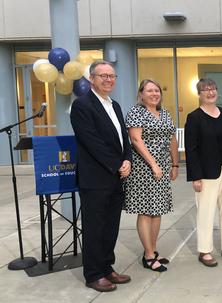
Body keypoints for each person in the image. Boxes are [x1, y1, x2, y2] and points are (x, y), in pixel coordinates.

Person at [70, 60, 132, 292]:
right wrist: (117, 164)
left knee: (111, 227)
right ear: (91, 79)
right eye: (103, 75)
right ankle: (94, 274)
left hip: (116, 176)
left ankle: (107, 268)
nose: (108, 79)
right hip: (95, 178)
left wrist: (127, 160)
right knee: (95, 227)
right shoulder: (82, 106)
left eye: (111, 76)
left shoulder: (114, 105)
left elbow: (123, 138)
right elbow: (92, 142)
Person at [185, 78, 222, 267]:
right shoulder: (194, 118)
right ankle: (205, 250)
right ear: (199, 94)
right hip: (207, 173)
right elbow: (191, 149)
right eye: (205, 90)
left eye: (213, 88)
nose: (210, 92)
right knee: (206, 211)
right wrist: (195, 176)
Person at [123, 79, 179, 272]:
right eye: (149, 91)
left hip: (162, 167)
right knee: (146, 210)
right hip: (143, 168)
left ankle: (153, 250)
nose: (154, 94)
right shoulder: (136, 112)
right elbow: (136, 140)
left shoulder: (165, 113)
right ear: (141, 94)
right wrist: (153, 164)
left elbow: (172, 138)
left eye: (157, 90)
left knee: (157, 210)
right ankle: (148, 256)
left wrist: (175, 163)